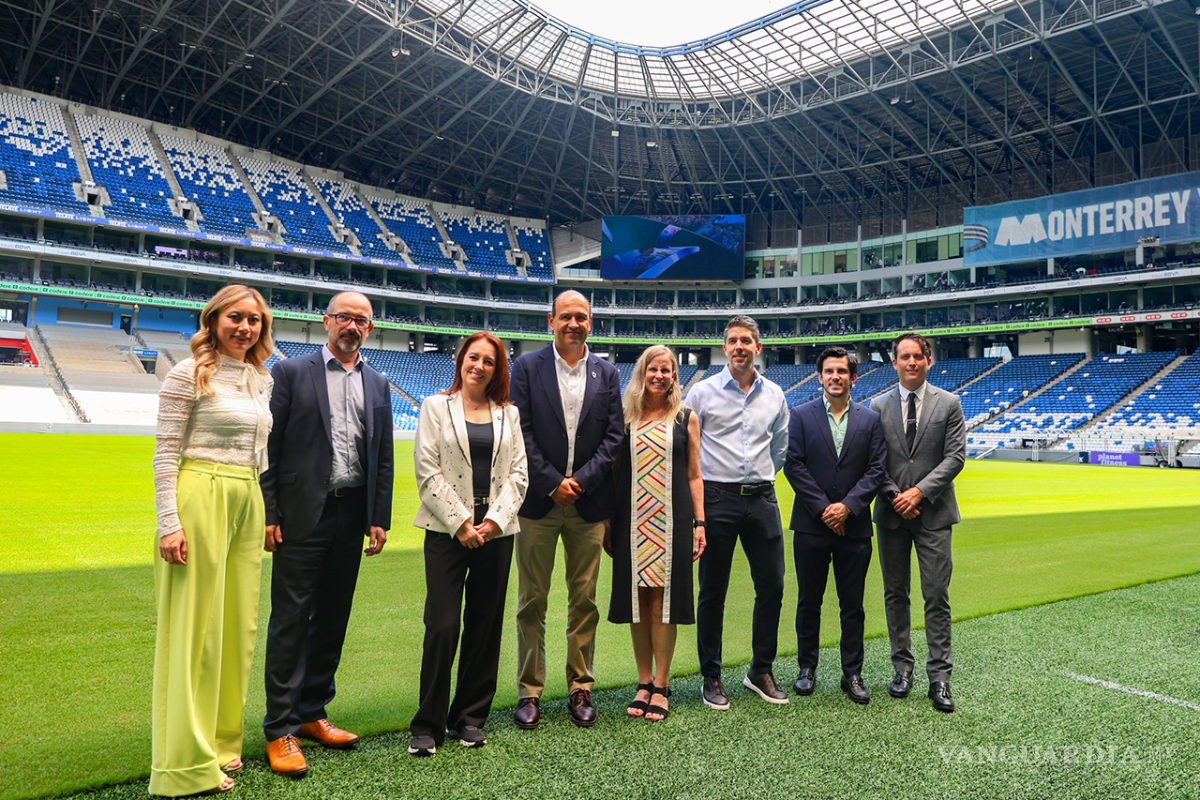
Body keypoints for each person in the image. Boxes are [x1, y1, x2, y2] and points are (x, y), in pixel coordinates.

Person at [259, 291, 394, 776]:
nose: (351, 326)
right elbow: (269, 447)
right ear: (326, 321)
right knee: (290, 620)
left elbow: (382, 456)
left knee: (333, 617)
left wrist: (379, 516)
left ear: (370, 329)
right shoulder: (291, 372)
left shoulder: (378, 382)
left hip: (351, 513)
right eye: (344, 317)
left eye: (361, 320)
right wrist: (269, 513)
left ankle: (313, 711)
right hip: (301, 514)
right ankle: (280, 728)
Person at [150, 284, 274, 796]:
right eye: (235, 318)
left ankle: (222, 743)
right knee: (194, 630)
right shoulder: (187, 373)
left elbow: (259, 452)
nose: (245, 328)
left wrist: (261, 509)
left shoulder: (261, 378)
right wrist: (169, 522)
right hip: (201, 493)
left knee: (237, 626)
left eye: (254, 320)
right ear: (214, 320)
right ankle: (184, 764)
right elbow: (165, 452)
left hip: (248, 497)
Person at [407, 332, 528, 756]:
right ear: (461, 360)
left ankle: (470, 718)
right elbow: (427, 470)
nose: (479, 366)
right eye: (473, 357)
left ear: (498, 369)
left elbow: (519, 474)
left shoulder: (508, 414)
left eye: (489, 361)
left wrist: (493, 522)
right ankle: (427, 724)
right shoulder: (435, 406)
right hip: (446, 531)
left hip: (495, 532)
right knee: (442, 624)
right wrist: (461, 523)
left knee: (485, 624)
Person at [509, 290, 624, 729]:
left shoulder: (607, 373)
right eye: (566, 316)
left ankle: (580, 686)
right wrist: (552, 482)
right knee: (531, 600)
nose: (574, 323)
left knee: (584, 600)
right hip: (537, 503)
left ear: (590, 322)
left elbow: (613, 437)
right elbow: (521, 430)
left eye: (581, 316)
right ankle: (530, 690)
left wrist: (581, 482)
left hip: (588, 504)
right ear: (551, 321)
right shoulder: (527, 367)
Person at [688, 315, 790, 710]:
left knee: (773, 586)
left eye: (746, 340)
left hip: (762, 498)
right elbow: (690, 451)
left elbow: (780, 447)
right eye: (733, 340)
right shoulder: (702, 393)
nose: (739, 347)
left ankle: (760, 670)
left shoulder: (775, 394)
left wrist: (759, 478)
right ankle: (711, 675)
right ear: (724, 347)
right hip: (718, 498)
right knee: (713, 590)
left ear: (758, 347)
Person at [606, 345, 705, 722]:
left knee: (664, 601)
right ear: (642, 373)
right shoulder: (625, 417)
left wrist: (700, 523)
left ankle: (661, 685)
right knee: (638, 600)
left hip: (672, 520)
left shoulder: (686, 417)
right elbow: (614, 473)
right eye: (653, 369)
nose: (660, 376)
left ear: (674, 375)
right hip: (631, 519)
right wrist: (608, 523)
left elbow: (694, 475)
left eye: (667, 370)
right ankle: (643, 681)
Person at [870, 332, 966, 713]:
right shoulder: (877, 405)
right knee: (895, 594)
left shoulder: (950, 403)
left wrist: (919, 493)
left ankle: (939, 677)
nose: (911, 362)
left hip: (934, 514)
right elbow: (873, 461)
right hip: (891, 514)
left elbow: (955, 458)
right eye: (904, 356)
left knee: (936, 595)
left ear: (929, 360)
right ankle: (902, 668)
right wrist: (896, 496)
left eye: (917, 356)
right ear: (894, 363)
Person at [784, 347, 886, 704]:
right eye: (829, 371)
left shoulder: (870, 419)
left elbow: (876, 469)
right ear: (819, 376)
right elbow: (794, 465)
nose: (835, 377)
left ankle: (852, 673)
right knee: (808, 602)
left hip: (854, 528)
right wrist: (826, 510)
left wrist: (848, 508)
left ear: (853, 378)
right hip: (811, 526)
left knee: (852, 605)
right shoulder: (800, 415)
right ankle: (806, 668)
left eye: (842, 371)